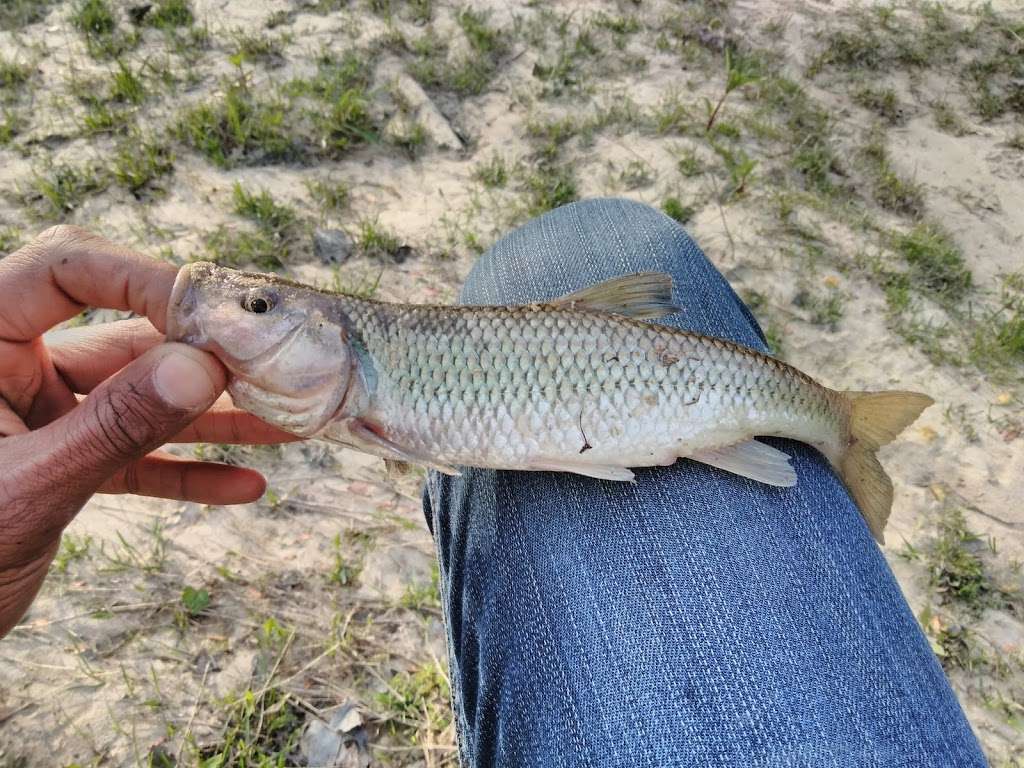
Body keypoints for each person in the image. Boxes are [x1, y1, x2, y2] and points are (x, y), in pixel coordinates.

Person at [0, 204, 987, 767]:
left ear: (332, 335)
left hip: (655, 387)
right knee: (591, 235)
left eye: (257, 306)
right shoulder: (351, 377)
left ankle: (836, 423)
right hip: (632, 376)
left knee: (577, 255)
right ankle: (821, 417)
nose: (230, 316)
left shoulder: (363, 387)